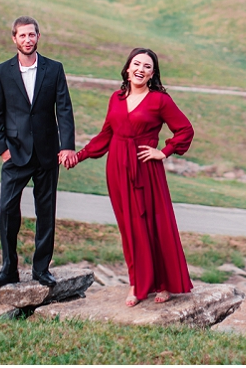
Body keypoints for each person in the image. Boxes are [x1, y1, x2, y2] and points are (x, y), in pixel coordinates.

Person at [64, 48, 194, 306]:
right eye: (137, 64)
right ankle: (136, 284)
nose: (140, 69)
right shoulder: (117, 97)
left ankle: (164, 284)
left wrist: (164, 152)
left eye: (147, 67)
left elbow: (185, 129)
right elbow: (105, 135)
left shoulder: (160, 100)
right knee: (129, 229)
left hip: (146, 169)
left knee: (154, 226)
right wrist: (80, 155)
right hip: (117, 169)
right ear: (127, 68)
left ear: (152, 74)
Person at [0, 16, 76, 287]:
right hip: (15, 153)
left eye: (31, 35)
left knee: (46, 212)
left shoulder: (54, 69)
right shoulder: (2, 72)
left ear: (38, 37)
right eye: (22, 35)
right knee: (6, 208)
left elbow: (64, 109)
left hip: (48, 154)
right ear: (14, 39)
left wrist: (67, 146)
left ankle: (41, 269)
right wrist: (3, 149)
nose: (27, 40)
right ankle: (8, 268)